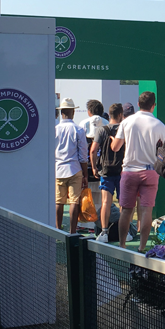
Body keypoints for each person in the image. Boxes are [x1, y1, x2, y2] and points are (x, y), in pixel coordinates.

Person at [111, 91, 165, 252]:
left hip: (129, 170)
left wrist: (113, 141)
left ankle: (122, 244)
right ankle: (142, 247)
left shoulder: (127, 122)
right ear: (153, 105)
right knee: (146, 210)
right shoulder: (159, 125)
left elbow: (115, 147)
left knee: (126, 210)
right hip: (150, 171)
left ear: (138, 104)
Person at [55, 98, 90, 234]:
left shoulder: (55, 129)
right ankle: (72, 231)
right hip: (74, 168)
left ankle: (58, 229)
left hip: (58, 168)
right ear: (73, 112)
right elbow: (83, 154)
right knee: (74, 201)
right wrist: (85, 174)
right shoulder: (78, 129)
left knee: (59, 201)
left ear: (61, 112)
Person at [92, 103, 125, 243]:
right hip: (122, 170)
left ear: (109, 114)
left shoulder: (102, 130)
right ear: (120, 115)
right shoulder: (124, 129)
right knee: (124, 203)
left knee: (105, 202)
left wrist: (94, 167)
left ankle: (104, 232)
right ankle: (125, 232)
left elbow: (93, 150)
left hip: (106, 171)